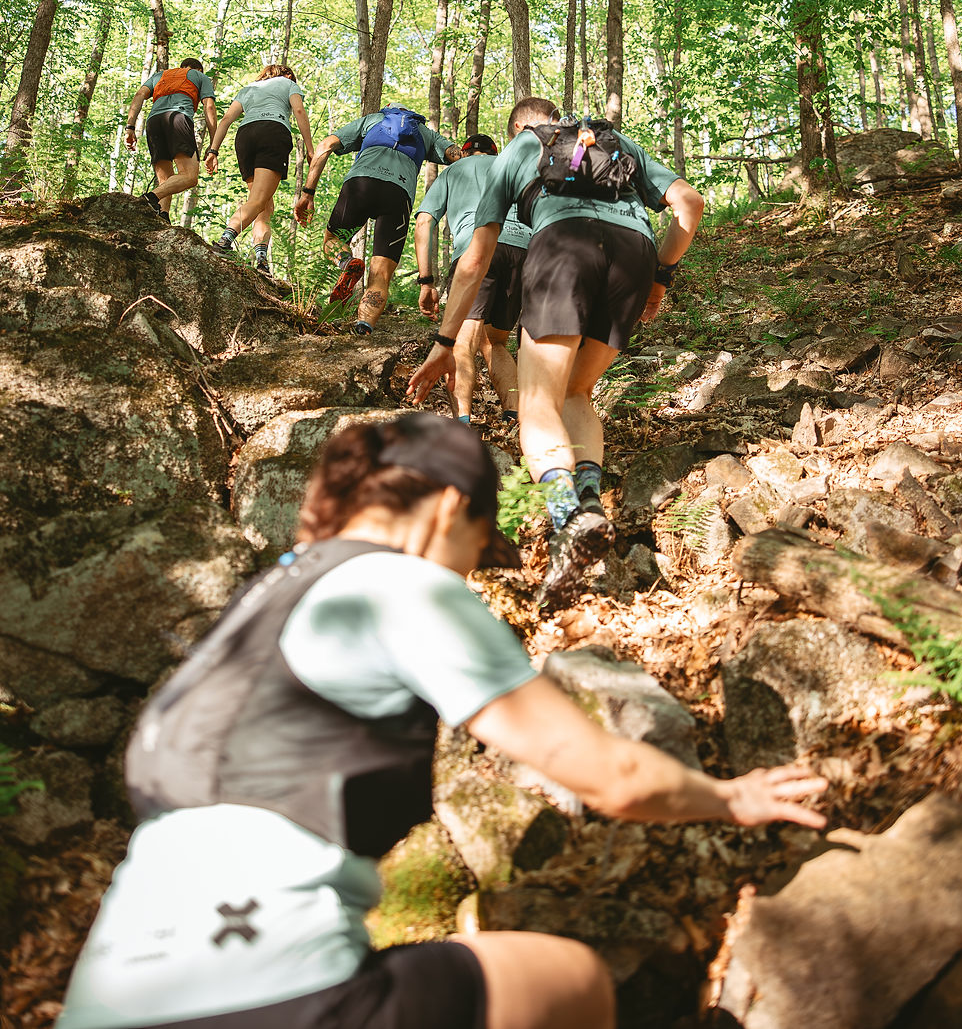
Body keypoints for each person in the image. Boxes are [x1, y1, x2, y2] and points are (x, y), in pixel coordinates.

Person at [57, 413, 826, 1029]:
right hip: (281, 991)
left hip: (104, 1001)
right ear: (452, 506)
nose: (468, 572)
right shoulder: (398, 585)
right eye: (476, 548)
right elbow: (613, 775)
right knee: (574, 982)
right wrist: (731, 798)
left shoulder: (252, 617)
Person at [408, 97, 705, 607]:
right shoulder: (615, 140)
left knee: (538, 400)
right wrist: (660, 279)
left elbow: (475, 259)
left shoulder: (519, 149)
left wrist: (442, 342)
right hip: (635, 253)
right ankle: (590, 500)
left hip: (564, 245)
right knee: (576, 391)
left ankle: (568, 517)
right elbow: (690, 203)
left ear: (518, 128)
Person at [294, 104, 460, 336]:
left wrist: (308, 193)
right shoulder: (425, 133)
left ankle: (345, 263)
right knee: (381, 273)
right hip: (398, 194)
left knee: (332, 238)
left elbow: (325, 146)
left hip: (360, 185)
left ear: (389, 109)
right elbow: (457, 154)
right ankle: (363, 329)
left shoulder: (372, 120)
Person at [415, 132, 528, 426]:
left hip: (477, 249)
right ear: (494, 151)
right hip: (523, 252)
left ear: (464, 153)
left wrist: (426, 281)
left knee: (462, 341)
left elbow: (425, 220)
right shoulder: (510, 166)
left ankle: (462, 421)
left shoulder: (453, 170)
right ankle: (514, 415)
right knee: (498, 342)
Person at [205, 65, 315, 274]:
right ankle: (224, 243)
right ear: (288, 75)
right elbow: (299, 110)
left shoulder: (249, 88)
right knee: (257, 201)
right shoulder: (288, 83)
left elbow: (227, 119)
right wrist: (310, 149)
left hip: (246, 136)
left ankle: (262, 261)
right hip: (272, 132)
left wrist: (213, 150)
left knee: (264, 204)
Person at [123, 57, 217, 223]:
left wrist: (130, 127)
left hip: (153, 123)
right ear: (199, 70)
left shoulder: (160, 75)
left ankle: (162, 217)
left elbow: (139, 95)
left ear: (181, 67)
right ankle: (147, 199)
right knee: (189, 177)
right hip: (178, 118)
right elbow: (208, 106)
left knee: (165, 180)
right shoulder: (200, 77)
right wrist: (214, 144)